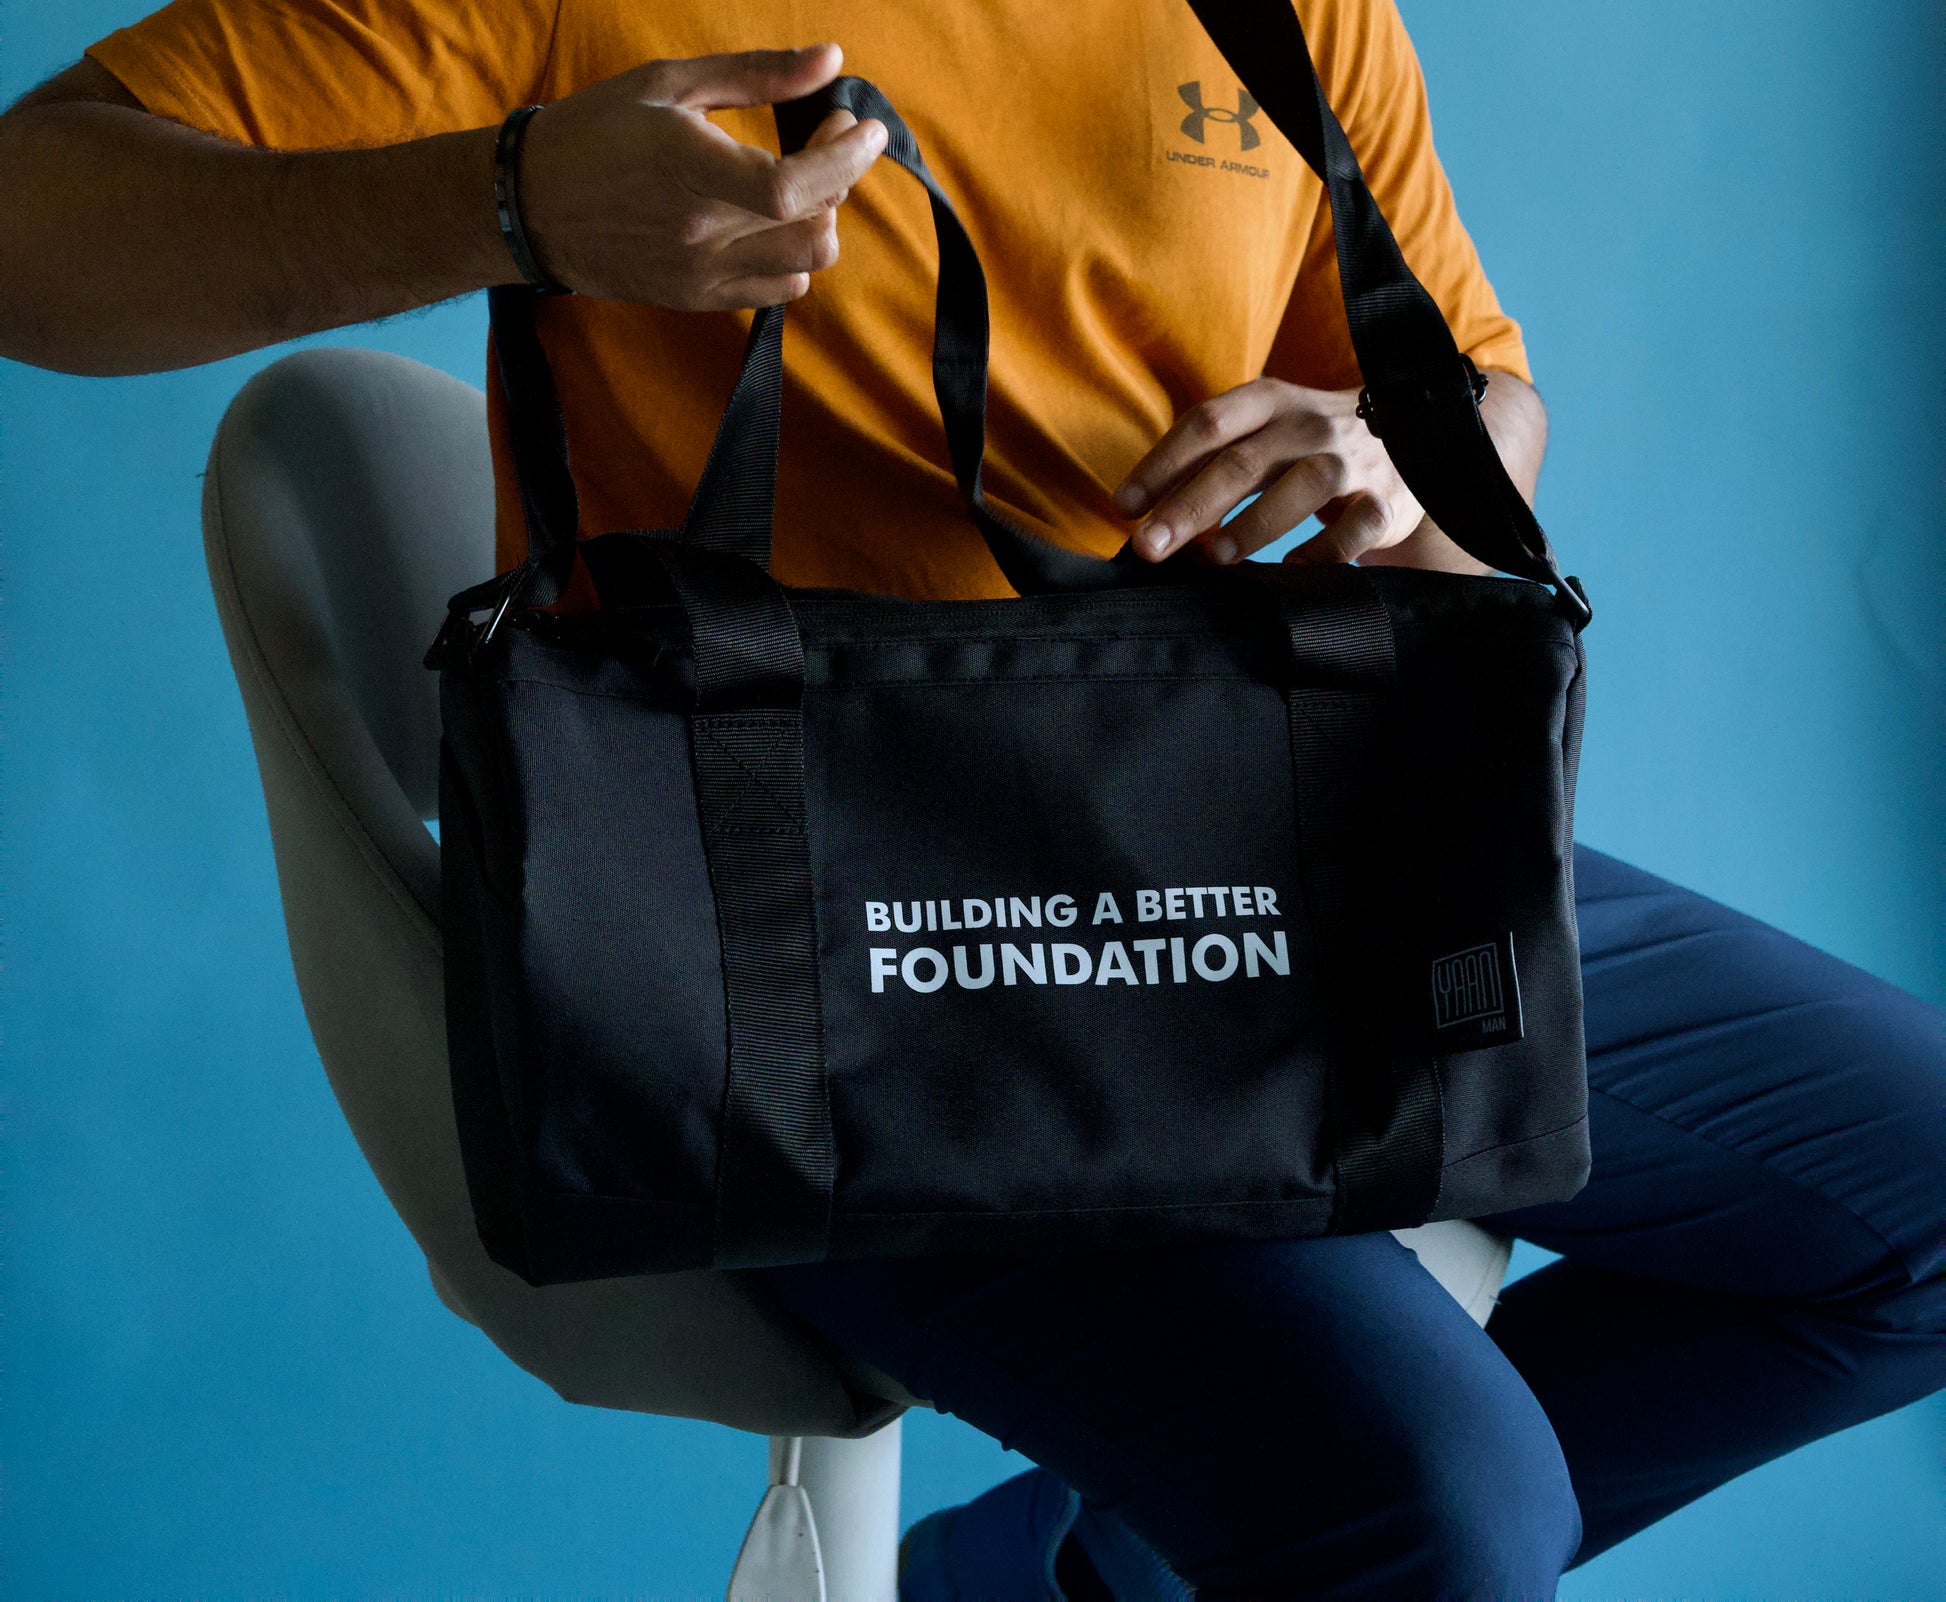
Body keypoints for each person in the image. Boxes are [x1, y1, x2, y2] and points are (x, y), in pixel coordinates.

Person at [1, 2, 1939, 1595]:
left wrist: (1389, 456)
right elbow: (32, 228)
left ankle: (1070, 1577)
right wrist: (506, 203)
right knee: (1438, 1502)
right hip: (815, 926)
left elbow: (1474, 415)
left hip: (1249, 828)